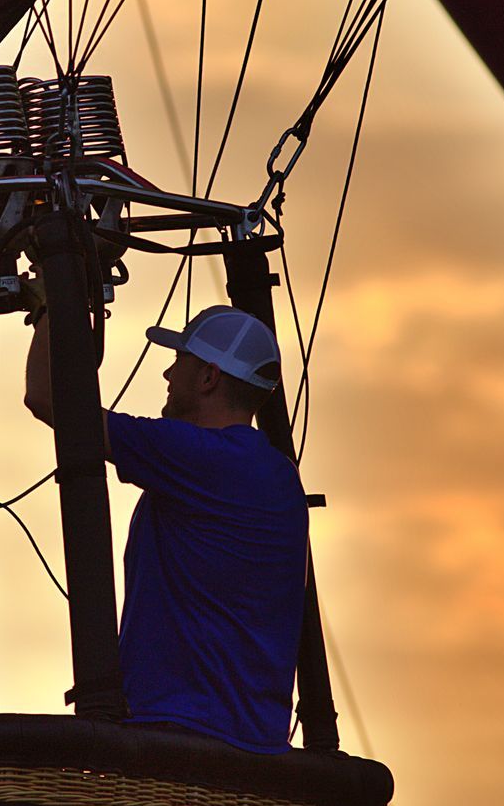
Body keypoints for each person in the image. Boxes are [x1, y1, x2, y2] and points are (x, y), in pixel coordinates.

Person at [24, 303, 308, 753]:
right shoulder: (278, 476)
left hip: (179, 733)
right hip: (256, 744)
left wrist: (48, 304)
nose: (167, 374)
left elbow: (46, 397)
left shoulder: (198, 456)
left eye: (179, 360)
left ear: (209, 377)